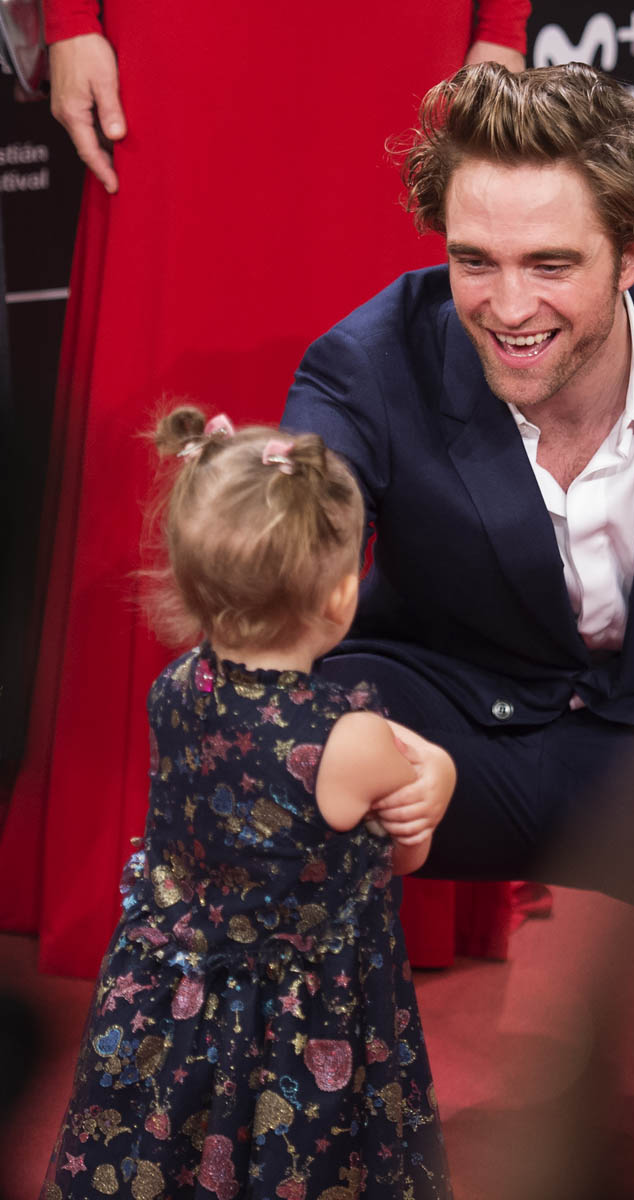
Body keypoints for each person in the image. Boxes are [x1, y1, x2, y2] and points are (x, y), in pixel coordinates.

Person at [282, 61, 634, 1146]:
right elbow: (292, 569)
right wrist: (266, 514)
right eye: (474, 261)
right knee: (287, 756)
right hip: (450, 720)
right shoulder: (365, 363)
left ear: (631, 253)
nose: (508, 308)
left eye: (550, 264)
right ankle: (301, 1086)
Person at [0, 0, 530, 980]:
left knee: (395, 374)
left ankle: (395, 854)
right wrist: (70, 20)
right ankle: (143, 866)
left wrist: (500, 24)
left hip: (392, 38)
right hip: (184, 40)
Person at [42, 407, 456, 1198]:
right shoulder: (352, 738)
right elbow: (409, 851)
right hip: (298, 1022)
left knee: (165, 1154)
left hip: (174, 1000)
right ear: (342, 593)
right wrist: (441, 769)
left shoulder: (175, 685)